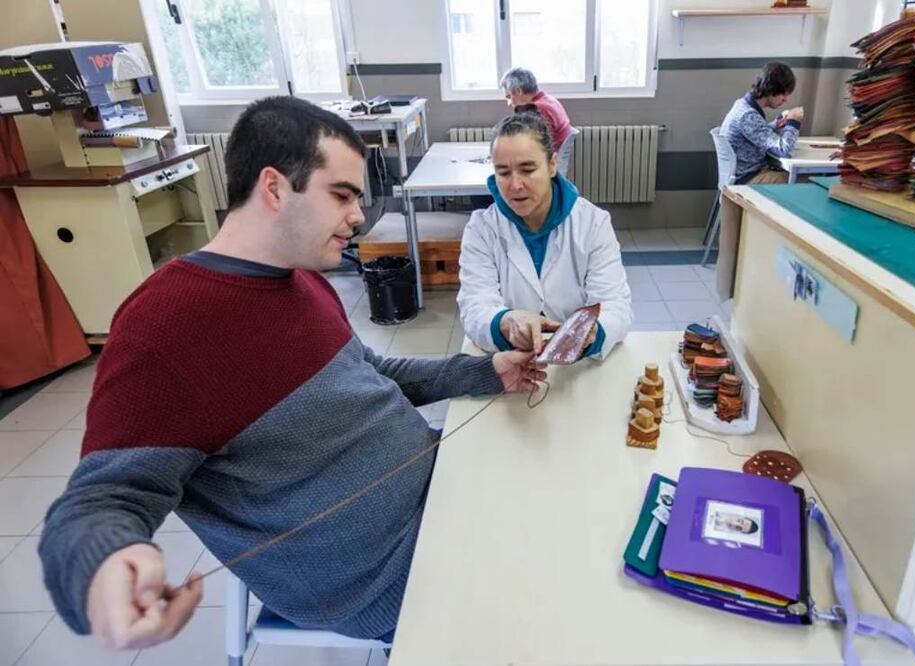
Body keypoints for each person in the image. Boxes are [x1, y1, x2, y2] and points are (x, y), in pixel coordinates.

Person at [36, 96, 545, 650]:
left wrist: (481, 372)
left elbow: (372, 374)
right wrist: (105, 563)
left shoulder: (301, 281)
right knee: (547, 612)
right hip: (380, 577)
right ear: (275, 188)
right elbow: (99, 500)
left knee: (560, 500)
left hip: (436, 488)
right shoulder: (165, 325)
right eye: (342, 195)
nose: (358, 215)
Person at [457, 111, 632, 360]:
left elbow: (615, 304)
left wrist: (589, 333)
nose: (515, 185)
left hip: (576, 369)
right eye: (503, 172)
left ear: (552, 164)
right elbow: (475, 305)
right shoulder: (481, 229)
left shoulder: (592, 223)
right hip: (512, 362)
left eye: (527, 170)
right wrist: (505, 321)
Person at [720, 62, 804, 184]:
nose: (786, 99)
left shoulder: (742, 105)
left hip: (745, 173)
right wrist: (793, 122)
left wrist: (777, 122)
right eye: (784, 94)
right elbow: (785, 151)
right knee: (804, 181)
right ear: (772, 89)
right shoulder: (748, 116)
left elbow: (755, 133)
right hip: (747, 179)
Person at [500, 67, 573, 151]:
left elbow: (534, 145)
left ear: (518, 91)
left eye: (509, 97)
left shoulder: (538, 109)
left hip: (545, 158)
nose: (509, 104)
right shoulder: (550, 100)